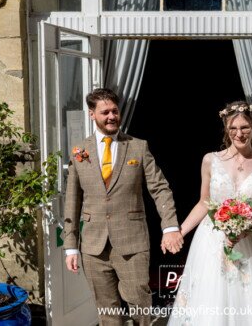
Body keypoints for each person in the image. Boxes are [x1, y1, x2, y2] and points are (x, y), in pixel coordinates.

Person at [166, 101, 252, 325]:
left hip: (251, 243)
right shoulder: (210, 160)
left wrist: (246, 229)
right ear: (226, 128)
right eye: (233, 128)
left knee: (250, 300)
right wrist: (180, 231)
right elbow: (204, 203)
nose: (239, 133)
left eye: (245, 127)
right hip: (212, 241)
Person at [63, 88, 184, 326]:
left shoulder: (138, 147)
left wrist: (170, 226)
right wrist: (70, 246)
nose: (111, 116)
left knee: (140, 307)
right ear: (92, 115)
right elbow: (72, 201)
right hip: (93, 247)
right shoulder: (80, 151)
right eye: (105, 112)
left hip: (132, 244)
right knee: (107, 312)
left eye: (115, 111)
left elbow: (160, 188)